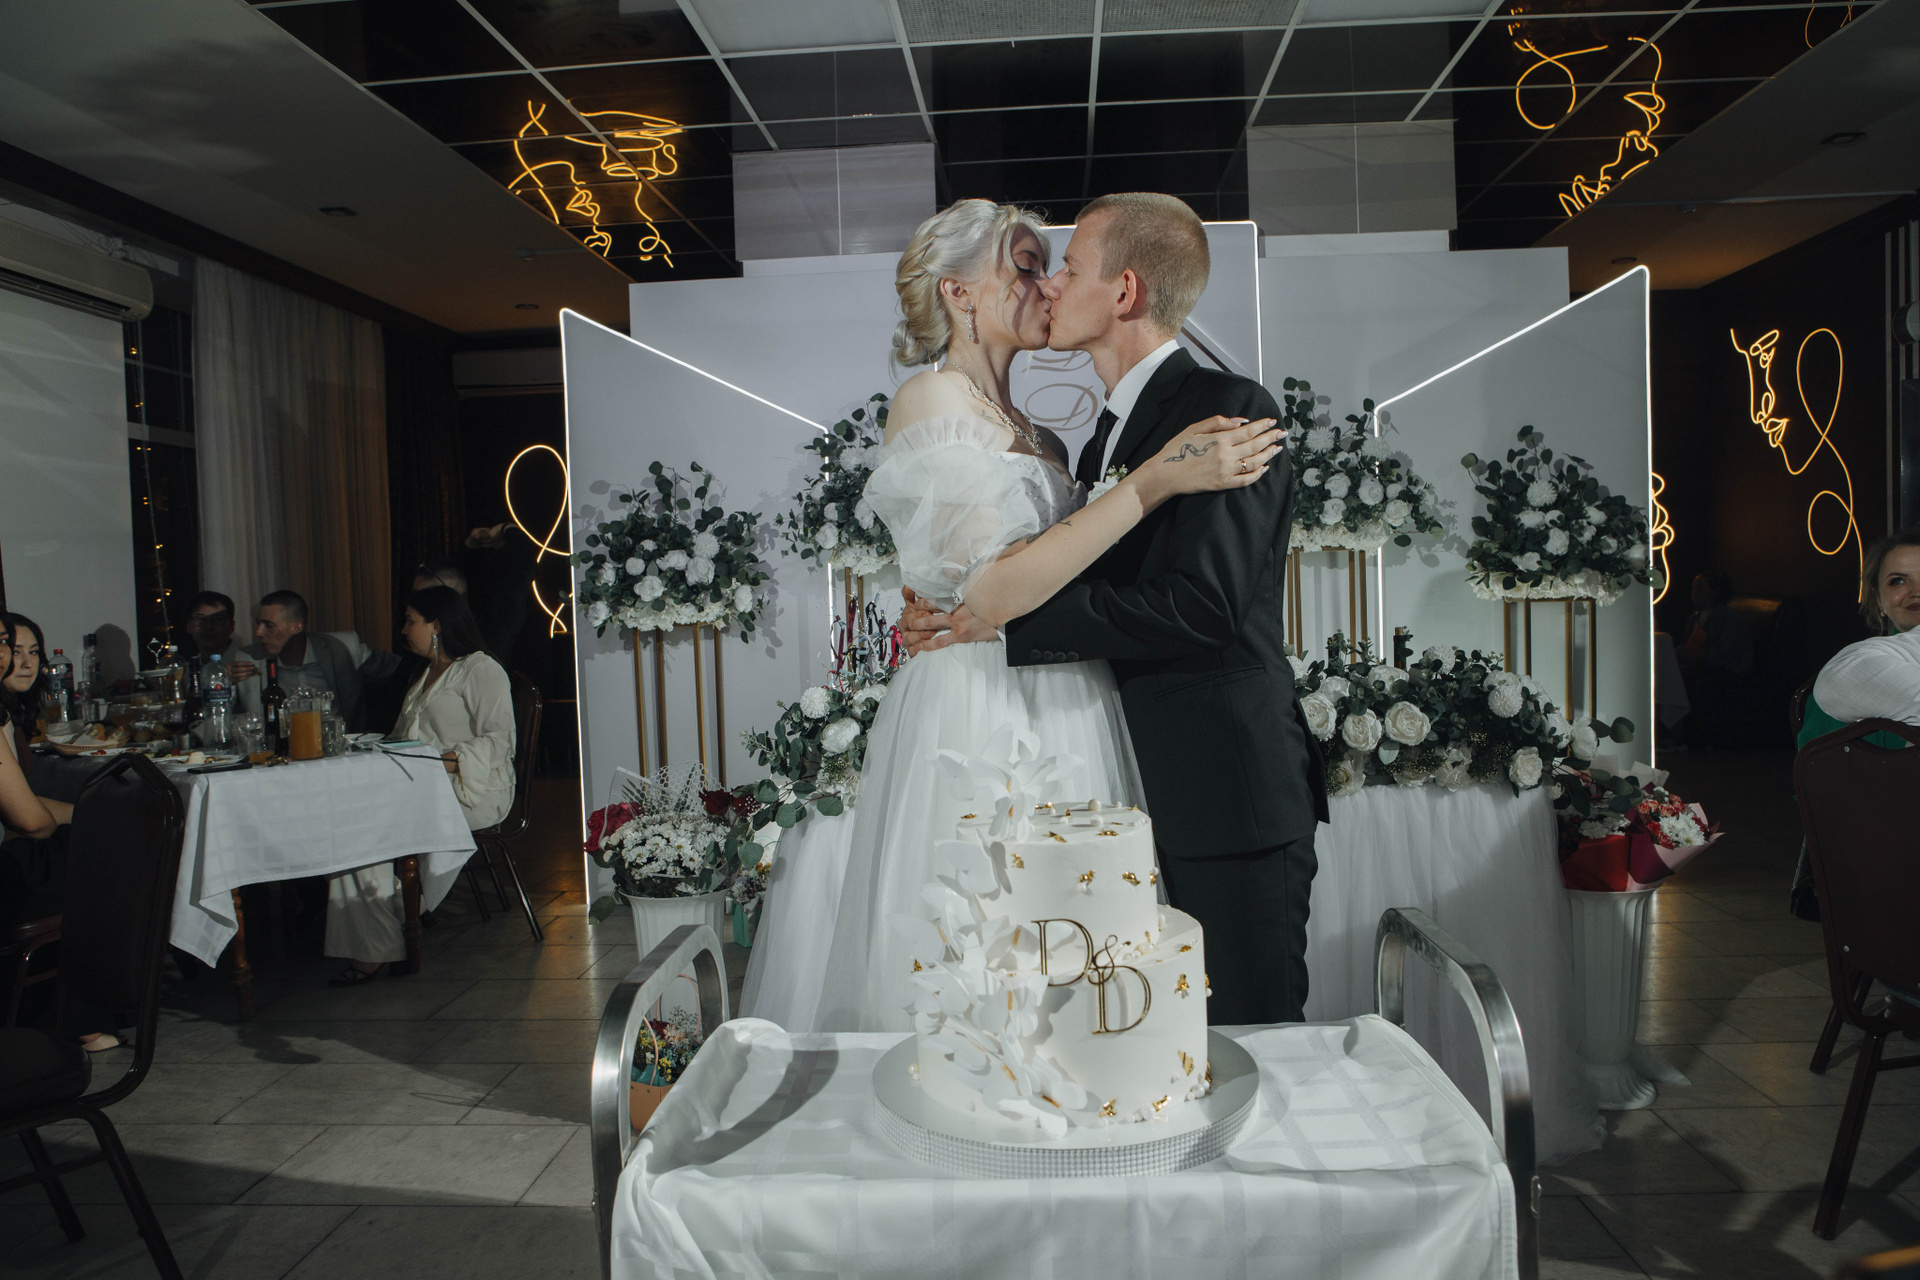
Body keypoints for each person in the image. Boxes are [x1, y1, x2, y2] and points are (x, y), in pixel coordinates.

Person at [812, 197, 1285, 1033]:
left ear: (1126, 291)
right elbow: (991, 586)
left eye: (1057, 267)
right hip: (978, 709)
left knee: (1087, 960)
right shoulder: (932, 399)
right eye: (1028, 266)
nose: (1048, 284)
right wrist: (1154, 479)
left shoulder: (1063, 441)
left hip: (1077, 705)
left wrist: (985, 612)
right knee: (985, 942)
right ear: (959, 292)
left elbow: (1089, 588)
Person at [325, 587, 515, 985]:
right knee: (349, 827)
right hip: (422, 787)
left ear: (437, 625)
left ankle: (381, 940)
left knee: (370, 832)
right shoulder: (425, 674)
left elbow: (501, 740)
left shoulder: (479, 669)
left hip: (474, 789)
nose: (403, 629)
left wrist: (443, 762)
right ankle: (382, 933)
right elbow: (404, 738)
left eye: (411, 621)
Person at [1790, 529, 1920, 918]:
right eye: (1898, 581)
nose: (1915, 592)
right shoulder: (1861, 666)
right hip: (1877, 861)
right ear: (1877, 599)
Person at [244, 589, 366, 731]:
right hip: (284, 742)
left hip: (339, 740)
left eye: (269, 625)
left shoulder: (341, 647)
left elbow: (388, 670)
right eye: (258, 623)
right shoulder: (249, 659)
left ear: (297, 627)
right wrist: (228, 680)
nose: (258, 632)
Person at [184, 591, 260, 715]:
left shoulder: (251, 663)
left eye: (217, 619)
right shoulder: (188, 672)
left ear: (231, 626)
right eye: (200, 619)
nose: (208, 626)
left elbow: (257, 716)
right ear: (188, 626)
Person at [3, 612, 49, 770]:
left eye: (33, 652)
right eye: (16, 652)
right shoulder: (3, 716)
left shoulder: (16, 709)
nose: (28, 664)